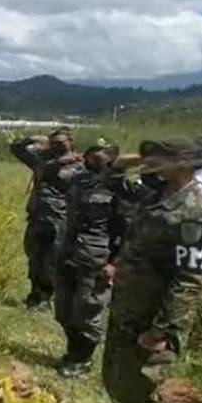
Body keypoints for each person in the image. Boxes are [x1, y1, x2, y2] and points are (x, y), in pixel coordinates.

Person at [95, 139, 202, 403]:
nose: (150, 162)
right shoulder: (156, 197)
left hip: (153, 317)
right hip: (128, 308)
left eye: (160, 156)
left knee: (139, 388)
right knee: (118, 380)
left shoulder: (197, 211)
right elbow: (110, 177)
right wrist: (145, 160)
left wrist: (162, 330)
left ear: (182, 163)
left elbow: (191, 279)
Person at [53, 143, 135, 378]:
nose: (97, 156)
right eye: (93, 152)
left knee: (87, 312)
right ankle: (72, 351)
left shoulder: (121, 190)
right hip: (68, 253)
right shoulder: (79, 180)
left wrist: (115, 264)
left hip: (96, 259)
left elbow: (129, 231)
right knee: (63, 311)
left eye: (104, 153)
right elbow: (53, 173)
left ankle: (82, 358)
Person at [11, 128, 82, 308]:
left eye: (62, 142)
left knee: (52, 259)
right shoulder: (43, 159)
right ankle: (35, 294)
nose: (58, 146)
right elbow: (16, 149)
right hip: (38, 214)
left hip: (60, 218)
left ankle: (46, 297)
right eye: (54, 142)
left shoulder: (79, 165)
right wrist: (33, 138)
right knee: (34, 255)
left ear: (70, 142)